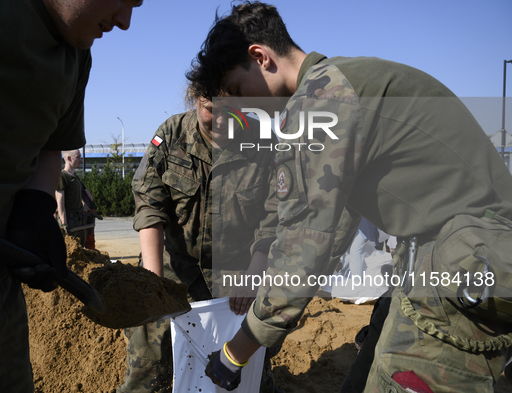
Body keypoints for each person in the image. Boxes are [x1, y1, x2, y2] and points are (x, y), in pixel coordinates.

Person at [186, 2, 512, 392]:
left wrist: (235, 352)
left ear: (260, 57)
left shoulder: (318, 103)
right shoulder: (340, 81)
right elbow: (331, 226)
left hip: (463, 268)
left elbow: (302, 250)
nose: (243, 108)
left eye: (239, 91)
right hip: (453, 258)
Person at [0, 1, 142, 392]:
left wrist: (35, 209)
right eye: (125, 0)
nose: (125, 21)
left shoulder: (77, 55)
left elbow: (50, 148)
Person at [119, 89, 282, 393]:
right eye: (210, 109)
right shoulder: (171, 135)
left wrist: (253, 276)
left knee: (249, 366)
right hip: (173, 265)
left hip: (239, 268)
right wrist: (155, 283)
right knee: (149, 357)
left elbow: (274, 217)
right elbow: (149, 206)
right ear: (194, 98)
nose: (220, 120)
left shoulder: (263, 142)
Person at [56, 149, 90, 247]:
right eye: (78, 157)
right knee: (70, 250)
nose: (81, 160)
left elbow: (78, 197)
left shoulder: (75, 177)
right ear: (68, 158)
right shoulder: (62, 177)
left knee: (80, 249)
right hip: (70, 220)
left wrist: (87, 210)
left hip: (79, 218)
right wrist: (64, 223)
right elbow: (60, 203)